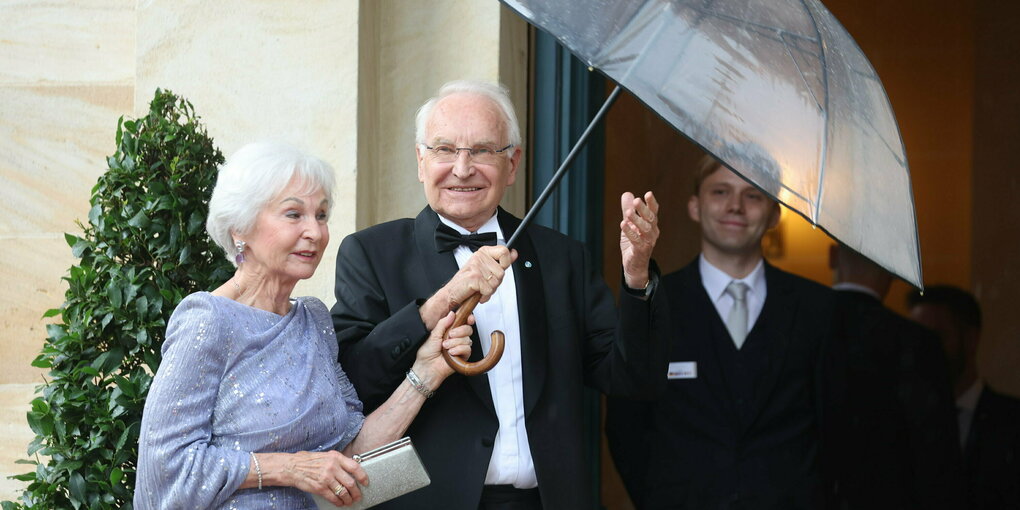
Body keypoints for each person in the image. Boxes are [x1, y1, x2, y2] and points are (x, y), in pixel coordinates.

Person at [330, 80, 668, 510]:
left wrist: (637, 275)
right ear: (420, 160)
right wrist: (439, 302)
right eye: (444, 149)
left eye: (483, 150)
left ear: (513, 163)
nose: (462, 168)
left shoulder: (562, 257)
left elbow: (633, 378)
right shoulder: (372, 253)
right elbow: (351, 382)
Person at [134, 142, 473, 509]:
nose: (315, 231)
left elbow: (350, 455)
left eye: (322, 215)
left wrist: (427, 370)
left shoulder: (313, 319)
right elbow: (165, 474)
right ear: (239, 228)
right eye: (294, 214)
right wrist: (291, 468)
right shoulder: (207, 321)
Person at [606, 156, 835, 509]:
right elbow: (626, 426)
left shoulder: (819, 309)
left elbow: (839, 429)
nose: (735, 206)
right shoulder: (652, 304)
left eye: (753, 195)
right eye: (720, 191)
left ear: (775, 214)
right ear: (695, 206)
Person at [827, 244, 964, 509]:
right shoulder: (916, 344)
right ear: (893, 268)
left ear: (832, 255)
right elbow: (938, 464)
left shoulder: (792, 330)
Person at [908, 285, 1020, 509]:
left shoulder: (1012, 423)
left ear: (970, 339)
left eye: (935, 337)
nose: (922, 351)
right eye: (915, 338)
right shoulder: (904, 421)